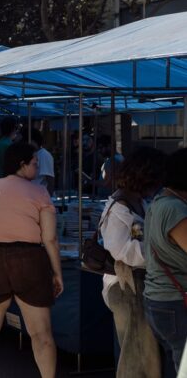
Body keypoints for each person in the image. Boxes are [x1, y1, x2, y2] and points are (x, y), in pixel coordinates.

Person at [0, 142, 63, 378]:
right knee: (41, 334)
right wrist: (57, 272)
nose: (38, 168)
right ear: (22, 165)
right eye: (34, 163)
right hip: (29, 259)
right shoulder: (40, 192)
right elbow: (50, 238)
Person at [99, 147, 166, 378]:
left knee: (142, 354)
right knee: (137, 354)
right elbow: (120, 249)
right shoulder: (119, 205)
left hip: (137, 284)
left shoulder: (138, 201)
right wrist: (158, 250)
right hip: (126, 286)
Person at [144, 148, 187, 374]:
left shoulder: (159, 202)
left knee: (175, 364)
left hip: (159, 299)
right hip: (174, 301)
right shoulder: (175, 208)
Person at [30, 129, 55, 196]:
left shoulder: (44, 155)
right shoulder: (32, 154)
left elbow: (50, 179)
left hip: (40, 195)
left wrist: (49, 199)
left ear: (33, 141)